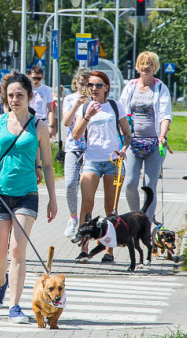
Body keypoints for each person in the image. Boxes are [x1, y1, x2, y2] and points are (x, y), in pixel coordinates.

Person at [0, 72, 57, 323]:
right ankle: (1, 281)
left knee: (17, 251)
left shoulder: (39, 126)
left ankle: (14, 306)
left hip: (27, 194)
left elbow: (47, 164)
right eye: (11, 95)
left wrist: (53, 199)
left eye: (20, 95)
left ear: (30, 97)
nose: (15, 99)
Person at [72, 70, 131, 263]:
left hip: (114, 162)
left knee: (110, 208)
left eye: (98, 85)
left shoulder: (115, 106)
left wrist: (123, 149)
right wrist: (87, 115)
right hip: (92, 161)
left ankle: (109, 251)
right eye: (90, 85)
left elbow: (127, 135)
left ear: (106, 87)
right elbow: (75, 135)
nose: (94, 89)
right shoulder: (85, 108)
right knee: (86, 203)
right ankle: (83, 248)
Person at [119, 51, 172, 221]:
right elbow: (122, 112)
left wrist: (162, 135)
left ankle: (148, 221)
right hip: (133, 142)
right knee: (129, 183)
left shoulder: (161, 87)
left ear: (154, 67)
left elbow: (165, 114)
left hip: (155, 142)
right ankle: (137, 217)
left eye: (149, 64)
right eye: (142, 63)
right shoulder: (130, 87)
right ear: (138, 66)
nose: (145, 67)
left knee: (149, 185)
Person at [61, 68, 91, 238]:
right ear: (76, 83)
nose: (84, 88)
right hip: (73, 147)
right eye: (81, 84)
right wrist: (77, 104)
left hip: (90, 148)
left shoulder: (95, 100)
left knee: (87, 188)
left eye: (88, 84)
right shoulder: (70, 99)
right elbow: (66, 122)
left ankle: (84, 222)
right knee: (70, 183)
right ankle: (73, 217)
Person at [27, 66, 57, 138]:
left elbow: (50, 110)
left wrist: (50, 126)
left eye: (39, 78)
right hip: (28, 122)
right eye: (34, 78)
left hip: (42, 121)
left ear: (42, 78)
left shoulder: (47, 89)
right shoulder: (27, 89)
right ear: (30, 76)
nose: (36, 81)